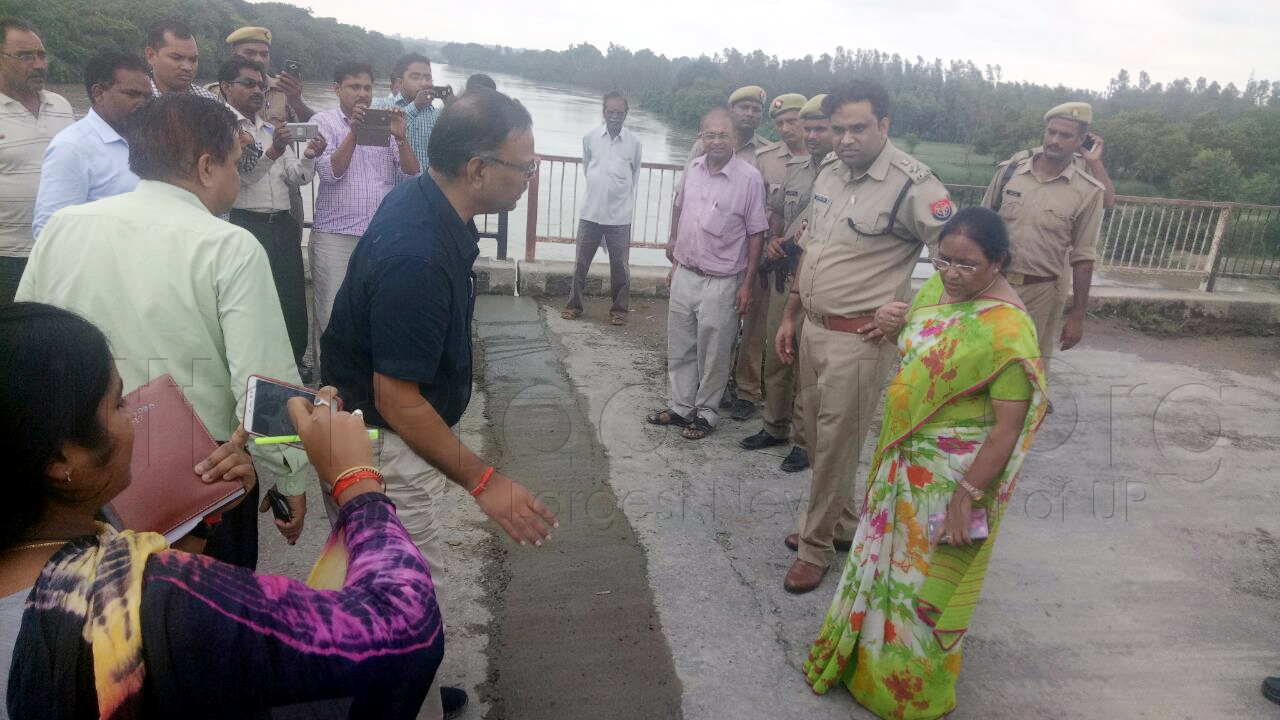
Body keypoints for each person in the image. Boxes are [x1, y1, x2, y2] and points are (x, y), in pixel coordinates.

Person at [0, 302, 443, 719]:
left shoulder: (71, 565)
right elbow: (402, 630)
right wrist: (356, 483)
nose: (133, 414)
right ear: (62, 461)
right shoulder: (138, 601)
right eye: (117, 403)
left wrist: (206, 517)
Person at [321, 88, 557, 720]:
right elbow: (399, 402)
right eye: (525, 167)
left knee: (383, 587)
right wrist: (486, 480)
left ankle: (411, 692)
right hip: (384, 450)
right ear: (477, 169)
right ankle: (405, 701)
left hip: (384, 440)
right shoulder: (417, 252)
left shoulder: (427, 202)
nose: (531, 178)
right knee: (403, 603)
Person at [17, 94, 310, 563]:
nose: (239, 176)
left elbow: (26, 350)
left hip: (82, 467)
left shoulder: (63, 226)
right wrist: (290, 476)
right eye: (236, 163)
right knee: (197, 619)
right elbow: (264, 383)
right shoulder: (230, 246)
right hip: (199, 477)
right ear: (207, 166)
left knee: (93, 615)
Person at [803, 207, 1049, 720]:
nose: (951, 274)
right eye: (943, 261)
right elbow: (922, 352)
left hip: (949, 477)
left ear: (999, 262)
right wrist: (896, 322)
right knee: (883, 572)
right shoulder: (938, 292)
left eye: (967, 265)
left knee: (919, 585)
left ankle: (910, 691)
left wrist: (967, 499)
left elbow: (1007, 429)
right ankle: (862, 665)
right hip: (901, 461)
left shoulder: (1009, 330)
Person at [774, 80, 952, 593]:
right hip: (813, 329)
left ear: (883, 126)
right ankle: (844, 523)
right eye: (838, 129)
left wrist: (910, 312)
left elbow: (959, 262)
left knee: (833, 446)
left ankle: (815, 547)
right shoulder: (830, 169)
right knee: (818, 436)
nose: (846, 139)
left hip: (860, 339)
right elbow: (812, 248)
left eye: (858, 128)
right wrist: (790, 313)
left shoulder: (912, 185)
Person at [649, 107, 767, 440]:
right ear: (701, 136)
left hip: (723, 279)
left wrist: (747, 285)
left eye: (723, 135)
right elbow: (679, 206)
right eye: (709, 134)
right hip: (686, 271)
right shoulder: (694, 168)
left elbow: (756, 232)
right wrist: (673, 251)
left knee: (715, 351)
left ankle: (706, 413)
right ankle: (681, 406)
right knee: (681, 344)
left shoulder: (749, 178)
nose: (715, 141)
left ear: (734, 138)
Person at [740, 93, 833, 473]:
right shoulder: (795, 168)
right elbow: (778, 212)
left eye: (814, 127)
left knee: (808, 363)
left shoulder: (839, 175)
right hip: (783, 274)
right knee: (779, 352)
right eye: (803, 127)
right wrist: (776, 237)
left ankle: (802, 439)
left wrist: (792, 239)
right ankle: (773, 425)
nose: (807, 134)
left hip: (819, 278)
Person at [310, 61, 420, 380]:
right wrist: (354, 134)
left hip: (379, 237)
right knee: (329, 313)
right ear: (337, 89)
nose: (362, 94)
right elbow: (331, 173)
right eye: (354, 87)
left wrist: (400, 138)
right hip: (335, 235)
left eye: (368, 88)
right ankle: (327, 384)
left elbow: (411, 174)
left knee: (373, 313)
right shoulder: (324, 121)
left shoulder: (387, 123)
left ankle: (363, 385)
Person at [983, 101, 1106, 379]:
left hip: (1041, 292)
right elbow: (981, 226)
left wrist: (1077, 316)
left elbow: (1084, 258)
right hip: (992, 283)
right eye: (1051, 132)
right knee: (980, 356)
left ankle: (1021, 415)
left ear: (1079, 142)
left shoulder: (1087, 190)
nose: (1054, 140)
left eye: (1065, 135)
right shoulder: (1009, 172)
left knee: (1023, 368)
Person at [219, 56, 325, 377]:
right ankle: (255, 369)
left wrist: (308, 158)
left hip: (281, 224)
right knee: (252, 300)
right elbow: (242, 177)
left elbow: (295, 177)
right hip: (246, 224)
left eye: (261, 85)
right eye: (248, 83)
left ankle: (293, 365)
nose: (257, 90)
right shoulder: (223, 129)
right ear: (226, 87)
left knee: (291, 298)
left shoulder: (269, 129)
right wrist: (274, 152)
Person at [725, 92, 809, 421]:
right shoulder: (765, 157)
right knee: (756, 326)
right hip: (769, 261)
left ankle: (792, 405)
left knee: (801, 336)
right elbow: (757, 209)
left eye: (793, 120)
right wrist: (771, 241)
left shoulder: (829, 162)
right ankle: (747, 390)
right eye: (780, 123)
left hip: (809, 263)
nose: (787, 128)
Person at [33, 51, 149, 238]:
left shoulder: (151, 140)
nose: (143, 103)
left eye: (147, 96)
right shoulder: (71, 148)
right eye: (133, 94)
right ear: (99, 93)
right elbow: (50, 231)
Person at [0, 18, 73, 302]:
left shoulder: (62, 106)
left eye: (41, 55)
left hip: (61, 251)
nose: (39, 64)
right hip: (6, 256)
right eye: (25, 56)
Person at [562, 90, 642, 325]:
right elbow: (588, 167)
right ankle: (574, 305)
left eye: (619, 112)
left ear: (626, 114)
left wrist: (617, 195)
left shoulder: (634, 143)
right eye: (610, 111)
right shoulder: (590, 138)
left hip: (619, 217)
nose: (615, 116)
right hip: (591, 214)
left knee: (620, 268)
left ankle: (619, 310)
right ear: (604, 112)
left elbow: (633, 175)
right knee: (580, 265)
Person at [218, 26, 314, 123]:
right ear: (233, 55)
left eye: (264, 54)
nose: (259, 59)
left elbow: (316, 127)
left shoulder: (285, 91)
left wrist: (296, 102)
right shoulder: (214, 92)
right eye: (250, 53)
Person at [373, 53, 451, 170]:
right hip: (392, 186)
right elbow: (375, 140)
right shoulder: (381, 106)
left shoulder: (439, 115)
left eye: (428, 78)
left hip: (426, 186)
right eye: (415, 77)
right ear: (399, 83)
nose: (424, 83)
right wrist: (416, 106)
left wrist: (453, 109)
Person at [143, 18, 217, 99]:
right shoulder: (135, 102)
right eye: (176, 58)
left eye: (193, 60)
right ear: (151, 55)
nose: (187, 67)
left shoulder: (211, 102)